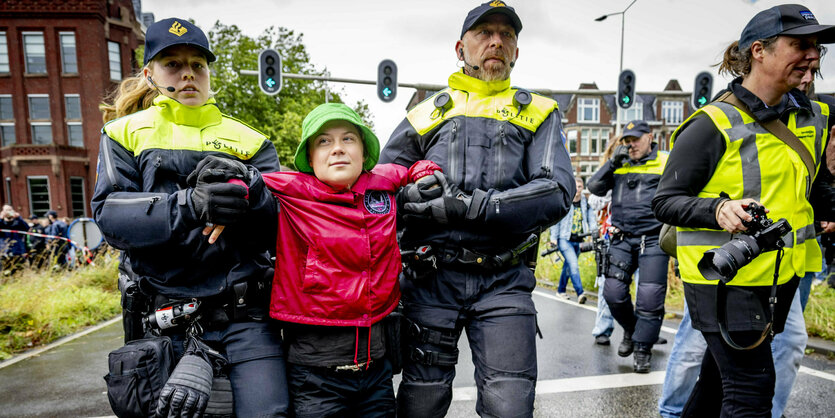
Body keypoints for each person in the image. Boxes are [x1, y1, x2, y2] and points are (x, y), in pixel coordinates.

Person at [378, 2, 575, 416]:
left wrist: (469, 206)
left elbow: (557, 190)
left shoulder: (540, 112)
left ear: (517, 52)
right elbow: (382, 187)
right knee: (421, 402)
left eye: (507, 35)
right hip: (430, 279)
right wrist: (412, 199)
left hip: (503, 281)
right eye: (485, 33)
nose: (496, 42)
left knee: (510, 406)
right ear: (460, 47)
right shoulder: (425, 113)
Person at [91, 18, 288, 417]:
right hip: (165, 323)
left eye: (198, 64)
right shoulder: (122, 133)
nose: (187, 74)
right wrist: (190, 204)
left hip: (246, 320)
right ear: (149, 74)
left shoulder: (250, 140)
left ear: (209, 73)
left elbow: (282, 226)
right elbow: (110, 215)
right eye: (173, 64)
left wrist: (252, 193)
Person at [652, 4, 835, 416]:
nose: (813, 54)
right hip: (723, 280)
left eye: (816, 46)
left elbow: (813, 190)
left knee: (717, 384)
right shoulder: (712, 123)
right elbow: (664, 201)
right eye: (799, 44)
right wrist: (718, 210)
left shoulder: (816, 116)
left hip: (780, 276)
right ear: (759, 51)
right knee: (751, 388)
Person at [209, 103, 438, 418]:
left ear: (363, 151)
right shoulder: (291, 189)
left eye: (348, 139)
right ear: (310, 157)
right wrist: (230, 193)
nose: (338, 150)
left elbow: (407, 170)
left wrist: (423, 169)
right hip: (314, 378)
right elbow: (251, 182)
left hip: (377, 372)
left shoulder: (382, 183)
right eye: (324, 142)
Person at [587, 119, 670, 373]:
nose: (630, 144)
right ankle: (633, 330)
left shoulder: (665, 162)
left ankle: (642, 350)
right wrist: (613, 162)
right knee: (612, 293)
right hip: (622, 237)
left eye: (635, 139)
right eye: (626, 140)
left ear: (650, 137)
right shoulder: (619, 165)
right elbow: (594, 188)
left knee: (649, 298)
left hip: (653, 239)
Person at [550, 177, 594, 303]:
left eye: (580, 187)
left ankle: (561, 290)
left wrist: (594, 232)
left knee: (569, 266)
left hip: (579, 240)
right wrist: (553, 238)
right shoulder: (566, 201)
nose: (577, 189)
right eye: (575, 186)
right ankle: (580, 293)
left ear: (582, 188)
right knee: (573, 264)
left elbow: (591, 219)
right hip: (565, 239)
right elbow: (556, 221)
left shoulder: (585, 203)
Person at [0, 205, 29, 274]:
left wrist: (19, 218)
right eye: (6, 210)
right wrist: (1, 218)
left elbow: (26, 228)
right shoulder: (1, 223)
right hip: (4, 252)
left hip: (17, 252)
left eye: (10, 210)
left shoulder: (18, 222)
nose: (8, 212)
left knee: (19, 273)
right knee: (5, 273)